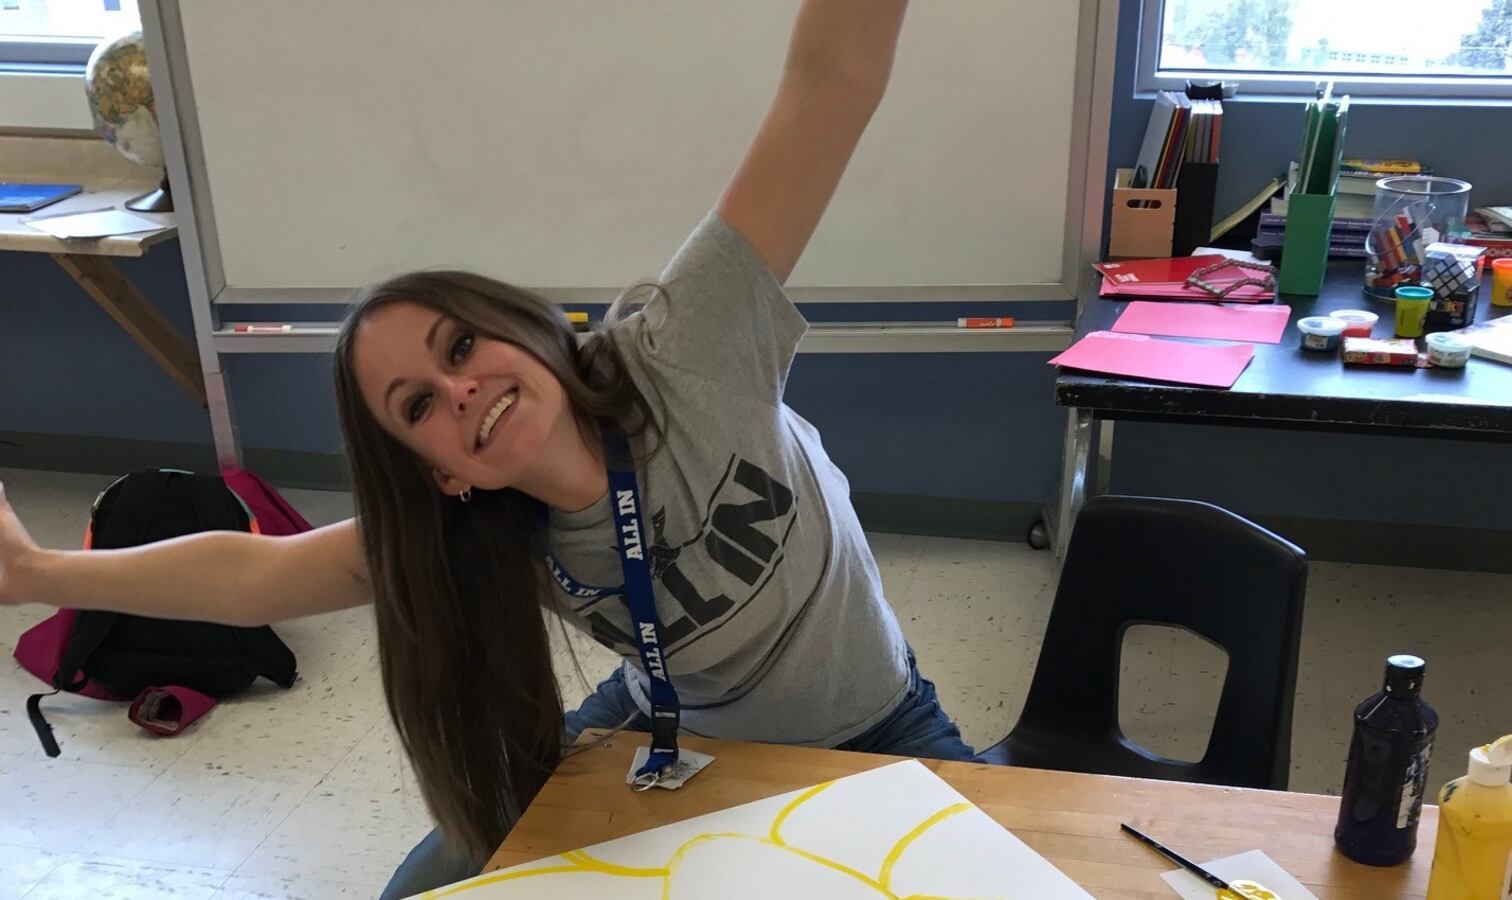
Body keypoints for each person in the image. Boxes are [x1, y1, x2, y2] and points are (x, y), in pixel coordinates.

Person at [0, 1, 972, 895]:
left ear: (520, 324)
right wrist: (40, 572)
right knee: (425, 890)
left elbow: (829, 83)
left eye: (461, 345)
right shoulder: (483, 523)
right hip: (675, 737)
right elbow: (258, 577)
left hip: (873, 730)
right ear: (444, 473)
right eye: (419, 403)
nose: (461, 389)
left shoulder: (684, 351)